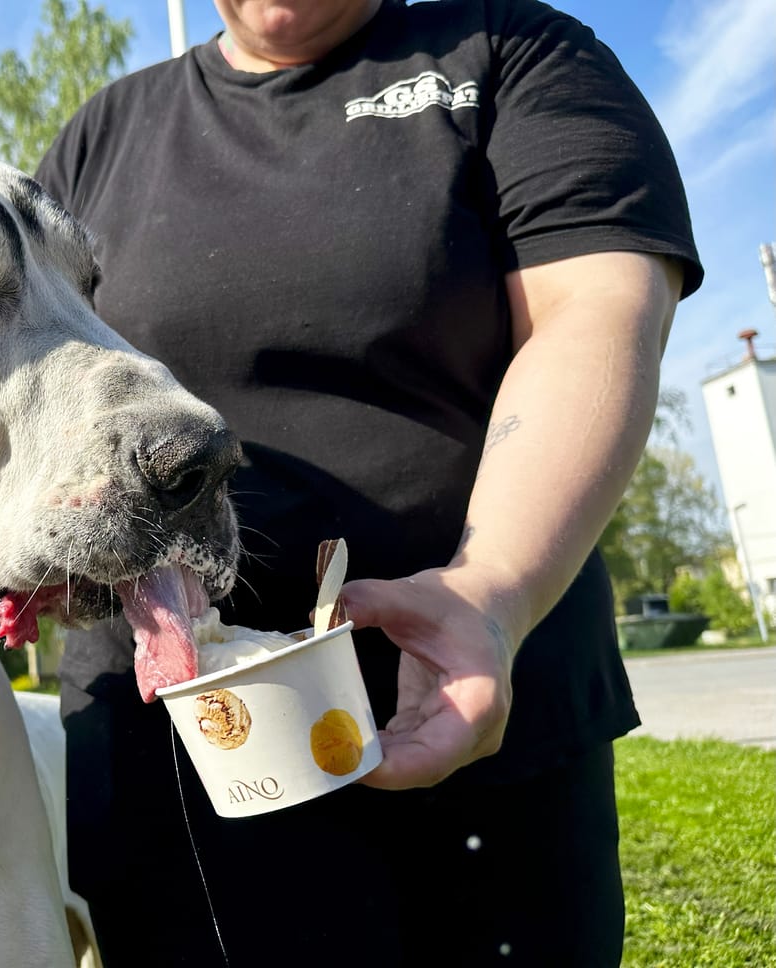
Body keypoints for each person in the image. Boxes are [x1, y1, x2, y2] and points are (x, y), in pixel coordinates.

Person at [34, 0, 702, 964]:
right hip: (172, 752)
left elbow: (592, 311)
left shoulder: (513, 53)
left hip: (466, 718)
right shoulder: (100, 135)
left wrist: (492, 589)